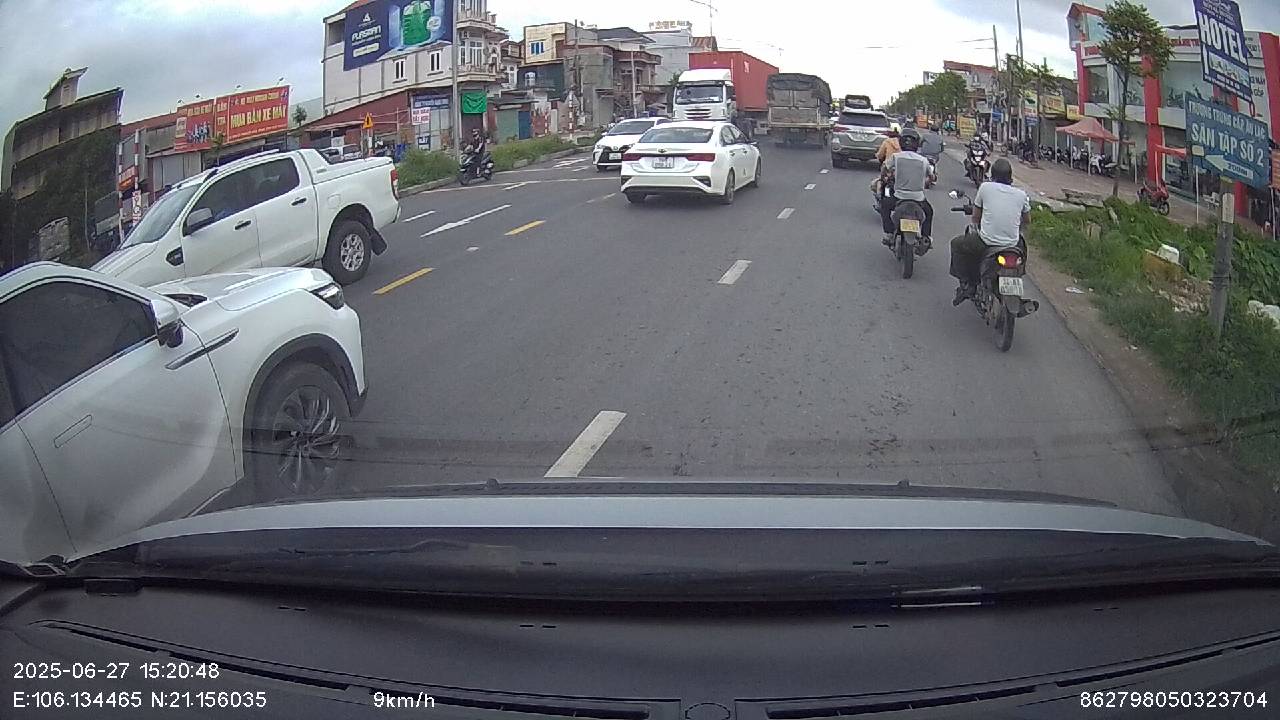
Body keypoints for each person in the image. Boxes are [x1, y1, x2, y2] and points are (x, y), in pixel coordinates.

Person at [950, 157, 1031, 305]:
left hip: (987, 241)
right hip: (1012, 244)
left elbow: (976, 216)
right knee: (1022, 250)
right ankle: (1018, 278)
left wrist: (979, 223)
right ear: (1010, 177)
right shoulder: (1021, 194)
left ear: (992, 175)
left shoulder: (985, 187)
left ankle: (967, 284)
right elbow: (1027, 220)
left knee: (956, 244)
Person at [880, 128, 936, 245]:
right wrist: (925, 182)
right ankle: (926, 237)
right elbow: (932, 177)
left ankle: (889, 233)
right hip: (918, 198)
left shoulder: (896, 157)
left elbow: (885, 168)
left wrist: (885, 177)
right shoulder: (924, 160)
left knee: (884, 206)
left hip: (899, 196)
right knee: (929, 212)